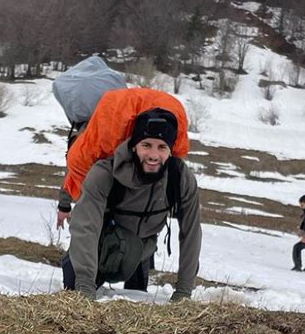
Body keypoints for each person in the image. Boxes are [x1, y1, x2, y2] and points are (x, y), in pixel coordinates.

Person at [59, 108, 202, 301]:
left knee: (137, 300)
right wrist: (85, 285)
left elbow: (191, 232)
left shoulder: (180, 178)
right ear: (134, 145)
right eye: (146, 145)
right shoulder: (104, 173)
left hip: (141, 249)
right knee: (75, 290)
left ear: (170, 150)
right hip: (101, 244)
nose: (153, 155)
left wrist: (184, 291)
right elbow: (86, 227)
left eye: (162, 147)